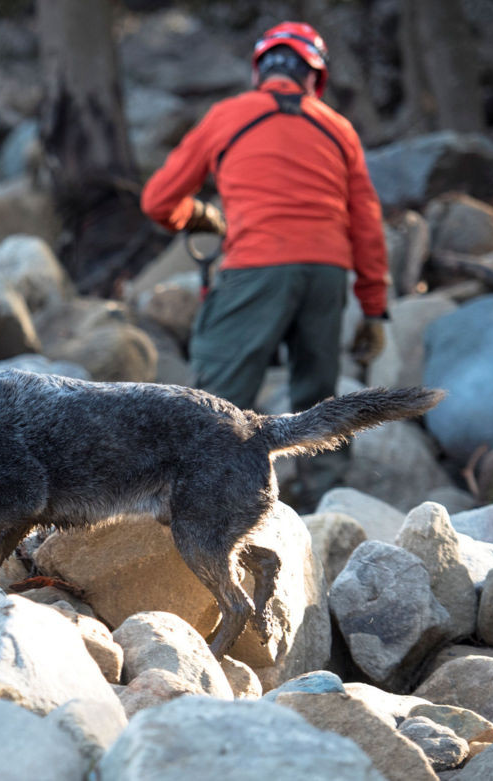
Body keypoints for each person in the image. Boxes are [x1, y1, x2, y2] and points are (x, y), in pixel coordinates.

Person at [140, 21, 390, 505]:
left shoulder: (228, 115)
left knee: (220, 399)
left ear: (262, 71)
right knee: (319, 398)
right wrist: (375, 309)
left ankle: (205, 503)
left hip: (255, 267)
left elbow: (157, 201)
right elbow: (367, 225)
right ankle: (328, 505)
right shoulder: (338, 128)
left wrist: (201, 216)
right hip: (326, 274)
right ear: (315, 76)